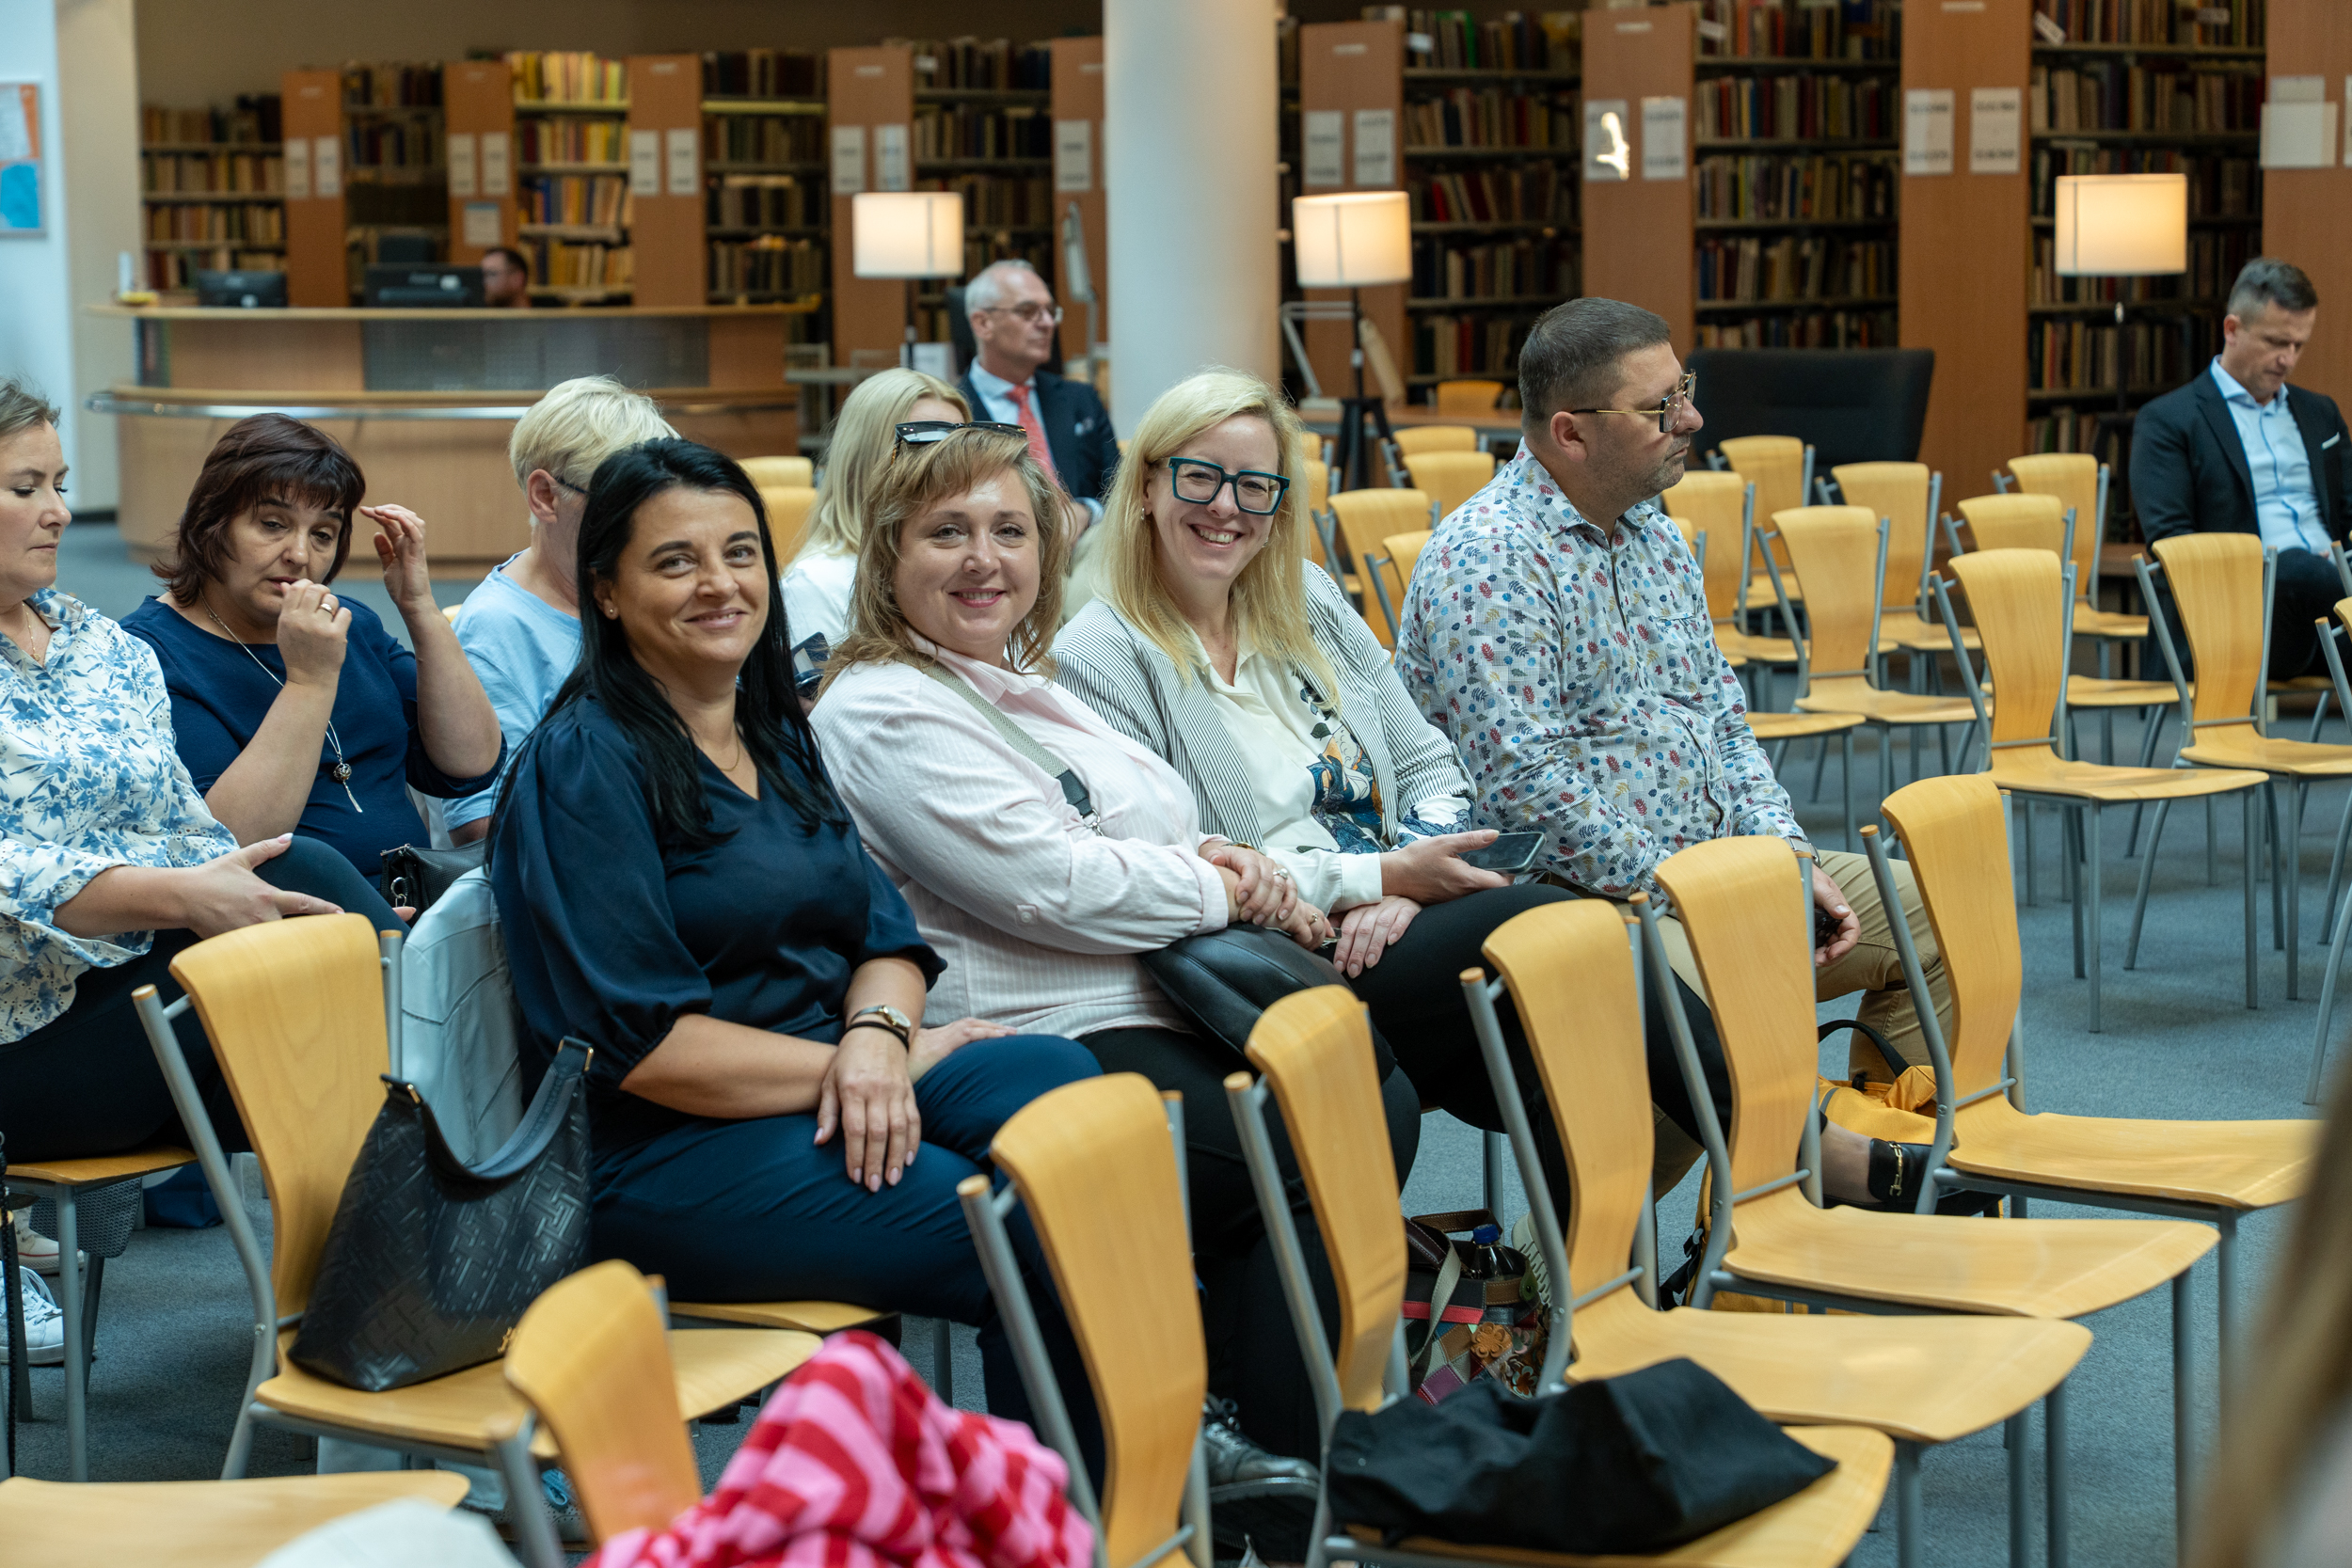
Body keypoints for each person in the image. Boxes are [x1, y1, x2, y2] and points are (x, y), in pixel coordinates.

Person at [486, 436, 1105, 1467]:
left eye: (739, 553)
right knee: (1025, 1224)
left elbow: (887, 939)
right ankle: (1054, 1510)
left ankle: (1110, 1458)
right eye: (676, 561)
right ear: (605, 591)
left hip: (835, 1076)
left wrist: (877, 1042)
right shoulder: (586, 763)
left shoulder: (772, 730)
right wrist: (867, 1065)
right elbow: (643, 1047)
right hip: (663, 1149)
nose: (720, 583)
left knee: (1074, 1093)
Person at [811, 423, 1419, 1467]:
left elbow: (1138, 820)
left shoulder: (1016, 676)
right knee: (1315, 1141)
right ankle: (1284, 1464)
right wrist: (1220, 886)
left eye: (1010, 531)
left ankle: (1263, 1447)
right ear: (888, 554)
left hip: (1145, 993)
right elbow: (1052, 884)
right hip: (1039, 1032)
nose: (983, 559)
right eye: (947, 532)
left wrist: (1213, 852)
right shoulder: (881, 706)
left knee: (1371, 1094)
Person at [1054, 366, 1734, 1200]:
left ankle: (1582, 1279)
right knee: (1564, 927)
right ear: (1147, 486)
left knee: (1573, 1038)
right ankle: (1788, 1150)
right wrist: (1381, 877)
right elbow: (1181, 862)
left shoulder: (1304, 597)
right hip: (1280, 951)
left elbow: (1428, 761)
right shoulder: (1098, 656)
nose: (1227, 506)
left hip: (1393, 928)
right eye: (1201, 476)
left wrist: (1406, 877)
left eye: (1256, 485)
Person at [1394, 297, 1955, 1207]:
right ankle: (1575, 1272)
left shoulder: (1654, 533)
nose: (1691, 419)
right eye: (1661, 407)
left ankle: (1869, 1185)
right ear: (1571, 432)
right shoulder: (1490, 558)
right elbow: (1526, 787)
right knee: (1701, 1006)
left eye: (1683, 390)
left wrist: (1787, 856)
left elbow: (1723, 719)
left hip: (1713, 869)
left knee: (1929, 915)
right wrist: (1696, 891)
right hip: (1587, 901)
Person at [0, 380, 400, 1166]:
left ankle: (438, 1110)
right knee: (320, 915)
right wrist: (184, 895)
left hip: (143, 987)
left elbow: (194, 833)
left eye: (61, 484)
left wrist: (292, 916)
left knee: (322, 935)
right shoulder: (150, 640)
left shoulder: (102, 646)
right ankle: (466, 1098)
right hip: (28, 1036)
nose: (61, 512)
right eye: (26, 488)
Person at [123, 417, 505, 883]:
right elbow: (223, 845)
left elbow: (471, 765)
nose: (300, 555)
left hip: (415, 898)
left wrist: (419, 607)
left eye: (323, 534)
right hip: (289, 917)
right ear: (211, 524)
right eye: (272, 525)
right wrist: (309, 682)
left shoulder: (348, 624)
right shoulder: (145, 653)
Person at [442, 376, 677, 844]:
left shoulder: (639, 591)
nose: (647, 526)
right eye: (621, 504)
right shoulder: (497, 630)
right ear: (546, 497)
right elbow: (482, 825)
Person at [2133, 257, 2351, 679]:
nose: (2287, 359)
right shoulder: (2169, 420)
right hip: (2237, 615)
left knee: (2313, 573)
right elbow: (2173, 543)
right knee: (2298, 567)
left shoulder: (2320, 413)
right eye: (2276, 342)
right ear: (2232, 330)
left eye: (2299, 346)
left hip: (2329, 616)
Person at [782, 367, 969, 680]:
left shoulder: (976, 565)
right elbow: (823, 706)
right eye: (922, 447)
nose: (950, 469)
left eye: (962, 448)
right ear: (863, 461)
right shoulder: (815, 585)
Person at [958, 260, 1118, 542]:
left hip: (1084, 551)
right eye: (1028, 311)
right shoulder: (952, 412)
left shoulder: (1081, 400)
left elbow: (1121, 489)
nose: (1047, 323)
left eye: (1050, 311)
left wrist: (1086, 511)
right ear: (983, 323)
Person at [481, 245, 532, 309]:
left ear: (517, 278)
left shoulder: (541, 315)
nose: (484, 282)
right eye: (483, 275)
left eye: (491, 274)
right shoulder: (479, 314)